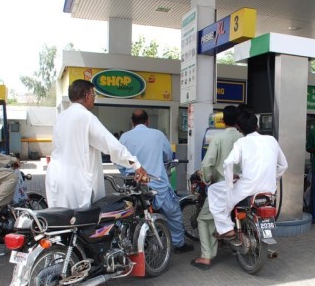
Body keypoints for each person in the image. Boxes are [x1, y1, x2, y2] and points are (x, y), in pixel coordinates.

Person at [45, 79, 147, 209]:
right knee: (82, 225)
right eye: (94, 95)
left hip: (55, 179)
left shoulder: (61, 117)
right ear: (87, 96)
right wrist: (136, 165)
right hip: (75, 183)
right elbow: (111, 145)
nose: (94, 99)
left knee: (60, 224)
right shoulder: (86, 117)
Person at [118, 109, 194, 254]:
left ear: (132, 122)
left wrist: (127, 173)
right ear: (147, 122)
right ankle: (178, 243)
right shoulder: (158, 135)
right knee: (174, 212)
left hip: (132, 186)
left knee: (128, 216)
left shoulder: (124, 137)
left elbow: (119, 161)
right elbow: (168, 155)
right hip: (157, 184)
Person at [208, 110, 288, 239]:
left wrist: (229, 184)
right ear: (257, 126)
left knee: (213, 190)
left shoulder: (241, 143)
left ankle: (226, 229)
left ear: (239, 129)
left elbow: (228, 163)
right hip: (269, 190)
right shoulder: (271, 140)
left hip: (247, 189)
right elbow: (283, 165)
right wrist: (272, 178)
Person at [191, 105, 242, 270]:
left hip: (223, 187)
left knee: (203, 218)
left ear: (223, 120)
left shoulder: (219, 138)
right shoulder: (244, 138)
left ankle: (206, 256)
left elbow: (208, 163)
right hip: (244, 187)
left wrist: (205, 178)